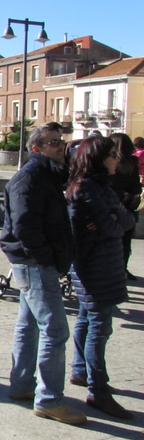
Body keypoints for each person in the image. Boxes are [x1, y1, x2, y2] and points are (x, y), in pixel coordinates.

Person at [0, 122, 85, 425]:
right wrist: (48, 258)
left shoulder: (45, 176)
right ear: (35, 149)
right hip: (35, 265)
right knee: (56, 331)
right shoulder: (30, 178)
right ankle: (49, 400)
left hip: (34, 263)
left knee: (29, 326)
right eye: (52, 142)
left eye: (61, 141)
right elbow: (25, 227)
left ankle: (22, 385)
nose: (60, 146)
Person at [66, 135, 135, 419]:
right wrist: (115, 218)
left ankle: (81, 372)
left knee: (87, 320)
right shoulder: (88, 188)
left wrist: (116, 217)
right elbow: (113, 226)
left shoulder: (99, 187)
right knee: (99, 328)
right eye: (113, 155)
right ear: (98, 158)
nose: (118, 160)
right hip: (95, 269)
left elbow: (129, 220)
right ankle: (98, 391)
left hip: (98, 267)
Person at [109, 133, 141, 281]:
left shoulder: (109, 162)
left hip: (113, 204)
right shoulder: (132, 162)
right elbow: (136, 186)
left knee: (112, 239)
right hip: (128, 205)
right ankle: (123, 269)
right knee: (126, 240)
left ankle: (115, 269)